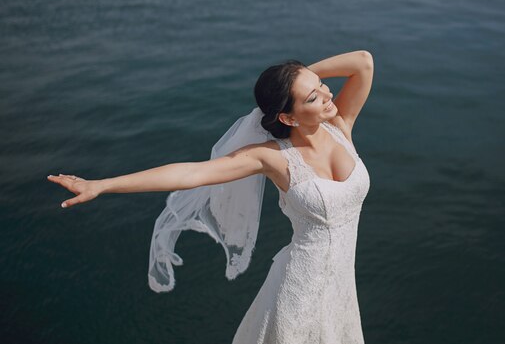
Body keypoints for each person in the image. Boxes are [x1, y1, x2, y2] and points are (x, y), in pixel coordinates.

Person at [47, 50, 374, 343]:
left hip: (341, 287)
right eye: (314, 97)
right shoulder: (273, 158)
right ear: (287, 117)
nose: (328, 95)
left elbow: (362, 61)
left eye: (322, 85)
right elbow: (191, 173)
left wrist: (294, 80)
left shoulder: (340, 126)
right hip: (299, 290)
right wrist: (102, 185)